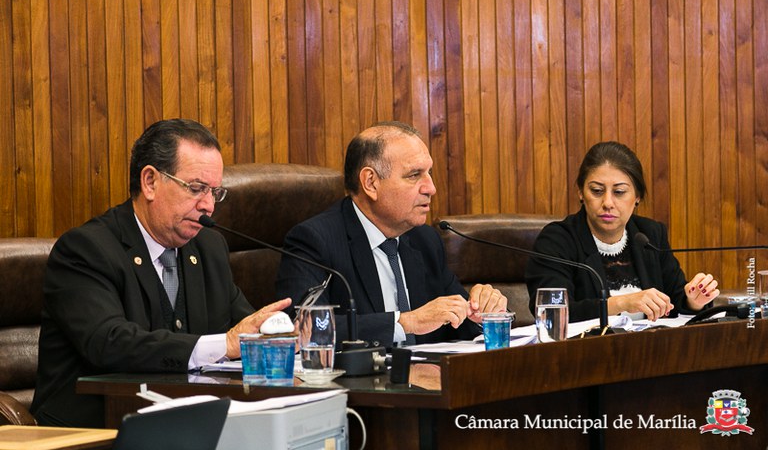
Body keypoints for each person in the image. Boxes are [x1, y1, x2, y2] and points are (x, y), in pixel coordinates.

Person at [31, 119, 292, 427]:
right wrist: (225, 345)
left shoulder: (208, 247)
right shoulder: (86, 249)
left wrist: (279, 333)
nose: (208, 205)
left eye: (215, 192)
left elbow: (241, 328)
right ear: (150, 182)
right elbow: (110, 343)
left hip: (189, 423)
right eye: (196, 188)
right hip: (96, 428)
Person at [276, 121, 507, 348]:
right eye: (414, 175)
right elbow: (303, 329)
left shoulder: (425, 240)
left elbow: (457, 322)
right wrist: (406, 322)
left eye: (429, 173)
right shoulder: (315, 241)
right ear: (371, 183)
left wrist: (484, 313)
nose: (431, 188)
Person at [525, 141, 720, 323]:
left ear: (637, 196)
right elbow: (551, 313)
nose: (608, 203)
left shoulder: (650, 234)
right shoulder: (557, 240)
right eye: (597, 191)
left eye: (619, 192)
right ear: (581, 193)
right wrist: (622, 303)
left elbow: (676, 298)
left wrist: (693, 300)